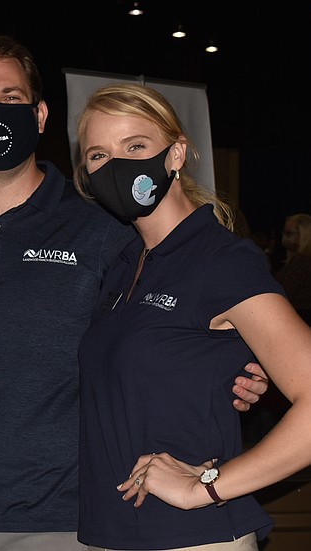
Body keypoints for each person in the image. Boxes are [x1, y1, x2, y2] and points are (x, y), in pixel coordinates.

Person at [0, 35, 269, 551]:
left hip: (69, 512)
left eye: (11, 98)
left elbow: (172, 316)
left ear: (39, 114)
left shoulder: (104, 221)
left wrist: (236, 365)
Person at [73, 83, 311, 550]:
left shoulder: (220, 259)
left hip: (191, 538)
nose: (116, 166)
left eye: (135, 146)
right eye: (98, 155)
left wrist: (204, 486)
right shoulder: (124, 267)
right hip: (111, 534)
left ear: (176, 154)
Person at [275, 212, 311, 324]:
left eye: (290, 233)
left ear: (304, 234)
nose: (284, 238)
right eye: (284, 232)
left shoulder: (302, 260)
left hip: (298, 318)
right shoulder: (299, 258)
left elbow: (285, 291)